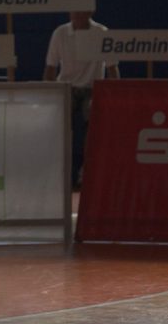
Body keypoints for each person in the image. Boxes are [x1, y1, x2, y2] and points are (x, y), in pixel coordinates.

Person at [43, 11, 120, 190]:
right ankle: (59, 173)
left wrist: (114, 95)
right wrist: (49, 96)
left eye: (80, 11)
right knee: (59, 128)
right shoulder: (60, 33)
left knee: (93, 126)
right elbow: (51, 67)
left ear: (89, 12)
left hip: (93, 89)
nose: (76, 15)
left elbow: (112, 67)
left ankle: (87, 173)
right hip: (66, 88)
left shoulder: (101, 32)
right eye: (73, 12)